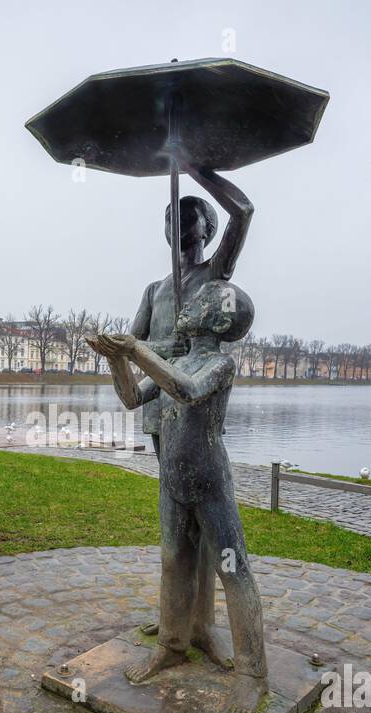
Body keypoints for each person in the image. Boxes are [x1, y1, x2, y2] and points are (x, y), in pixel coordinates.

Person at [88, 278, 267, 713]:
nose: (188, 304)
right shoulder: (181, 359)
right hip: (173, 480)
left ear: (218, 318)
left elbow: (186, 389)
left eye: (202, 300)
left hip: (209, 482)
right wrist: (117, 362)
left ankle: (252, 675)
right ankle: (171, 645)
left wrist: (135, 350)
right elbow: (132, 399)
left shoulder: (219, 365)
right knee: (173, 560)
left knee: (233, 569)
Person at [129, 164, 253, 640]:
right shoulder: (154, 289)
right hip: (160, 407)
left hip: (197, 406)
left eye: (188, 215)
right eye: (169, 216)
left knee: (206, 527)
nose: (176, 223)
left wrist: (197, 169)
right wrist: (148, 353)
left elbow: (244, 212)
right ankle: (174, 620)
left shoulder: (215, 276)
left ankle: (203, 623)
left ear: (207, 226)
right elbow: (132, 341)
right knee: (177, 528)